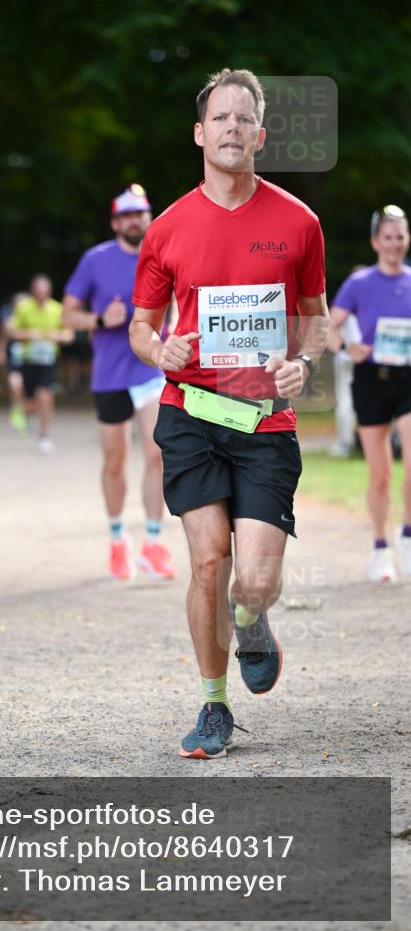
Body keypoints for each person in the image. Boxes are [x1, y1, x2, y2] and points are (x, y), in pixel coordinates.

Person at [129, 68, 329, 759]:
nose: (232, 128)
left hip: (264, 420)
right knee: (207, 560)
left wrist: (303, 363)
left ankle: (250, 619)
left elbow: (316, 318)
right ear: (199, 132)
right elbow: (139, 327)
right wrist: (162, 347)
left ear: (260, 135)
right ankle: (212, 706)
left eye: (244, 118)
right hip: (190, 412)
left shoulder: (298, 222)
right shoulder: (166, 228)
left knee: (254, 580)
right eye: (220, 118)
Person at [63, 184, 176, 580]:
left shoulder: (162, 255)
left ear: (148, 217)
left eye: (140, 213)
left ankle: (153, 543)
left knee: (156, 454)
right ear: (115, 222)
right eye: (127, 215)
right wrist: (97, 320)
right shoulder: (95, 260)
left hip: (150, 371)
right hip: (110, 376)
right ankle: (116, 541)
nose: (135, 220)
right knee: (114, 462)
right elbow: (67, 315)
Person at [330, 205, 411, 581]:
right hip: (370, 380)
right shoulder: (359, 283)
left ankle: (407, 535)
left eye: (400, 237)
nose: (394, 244)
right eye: (388, 238)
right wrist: (348, 348)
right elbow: (328, 329)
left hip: (407, 379)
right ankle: (380, 545)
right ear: (376, 242)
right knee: (379, 473)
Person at [9, 274, 72, 454]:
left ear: (49, 291)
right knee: (31, 401)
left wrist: (57, 336)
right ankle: (26, 412)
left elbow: (69, 335)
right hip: (28, 361)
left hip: (49, 362)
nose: (41, 293)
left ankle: (44, 436)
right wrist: (29, 334)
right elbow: (12, 332)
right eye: (38, 290)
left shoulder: (58, 309)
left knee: (45, 396)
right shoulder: (23, 308)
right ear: (33, 291)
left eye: (45, 290)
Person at [327, 267, 366, 458]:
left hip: (348, 355)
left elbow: (331, 327)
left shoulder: (347, 300)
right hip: (361, 356)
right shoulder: (367, 300)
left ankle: (346, 442)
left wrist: (344, 348)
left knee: (346, 400)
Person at [0, 292, 29, 434]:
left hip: (30, 360)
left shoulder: (32, 319)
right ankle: (16, 408)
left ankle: (25, 411)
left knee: (28, 389)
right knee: (15, 384)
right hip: (13, 358)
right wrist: (0, 351)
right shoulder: (9, 321)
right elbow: (2, 337)